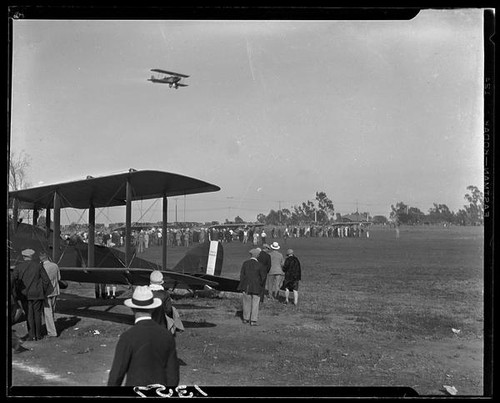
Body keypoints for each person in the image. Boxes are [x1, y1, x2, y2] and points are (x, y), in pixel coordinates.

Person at [108, 286, 180, 387]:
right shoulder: (167, 336)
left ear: (132, 308)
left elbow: (116, 375)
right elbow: (173, 376)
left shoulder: (128, 337)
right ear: (153, 308)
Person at [11, 249, 53, 341]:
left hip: (24, 295)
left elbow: (12, 280)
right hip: (37, 294)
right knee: (37, 314)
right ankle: (38, 335)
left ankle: (31, 335)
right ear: (32, 256)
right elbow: (46, 280)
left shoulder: (19, 267)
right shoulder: (39, 266)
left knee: (28, 315)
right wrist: (43, 290)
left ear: (23, 257)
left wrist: (14, 292)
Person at [237, 248, 266, 326]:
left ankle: (245, 319)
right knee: (255, 303)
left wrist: (243, 284)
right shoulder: (260, 265)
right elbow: (263, 277)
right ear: (257, 256)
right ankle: (253, 320)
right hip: (257, 287)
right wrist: (260, 285)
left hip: (246, 286)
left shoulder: (245, 263)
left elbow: (242, 275)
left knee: (246, 303)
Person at [40, 252, 61, 337]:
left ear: (41, 259)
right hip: (55, 291)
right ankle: (50, 328)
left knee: (47, 312)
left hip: (46, 292)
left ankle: (52, 332)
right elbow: (59, 278)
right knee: (52, 311)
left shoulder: (42, 267)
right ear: (48, 257)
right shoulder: (55, 265)